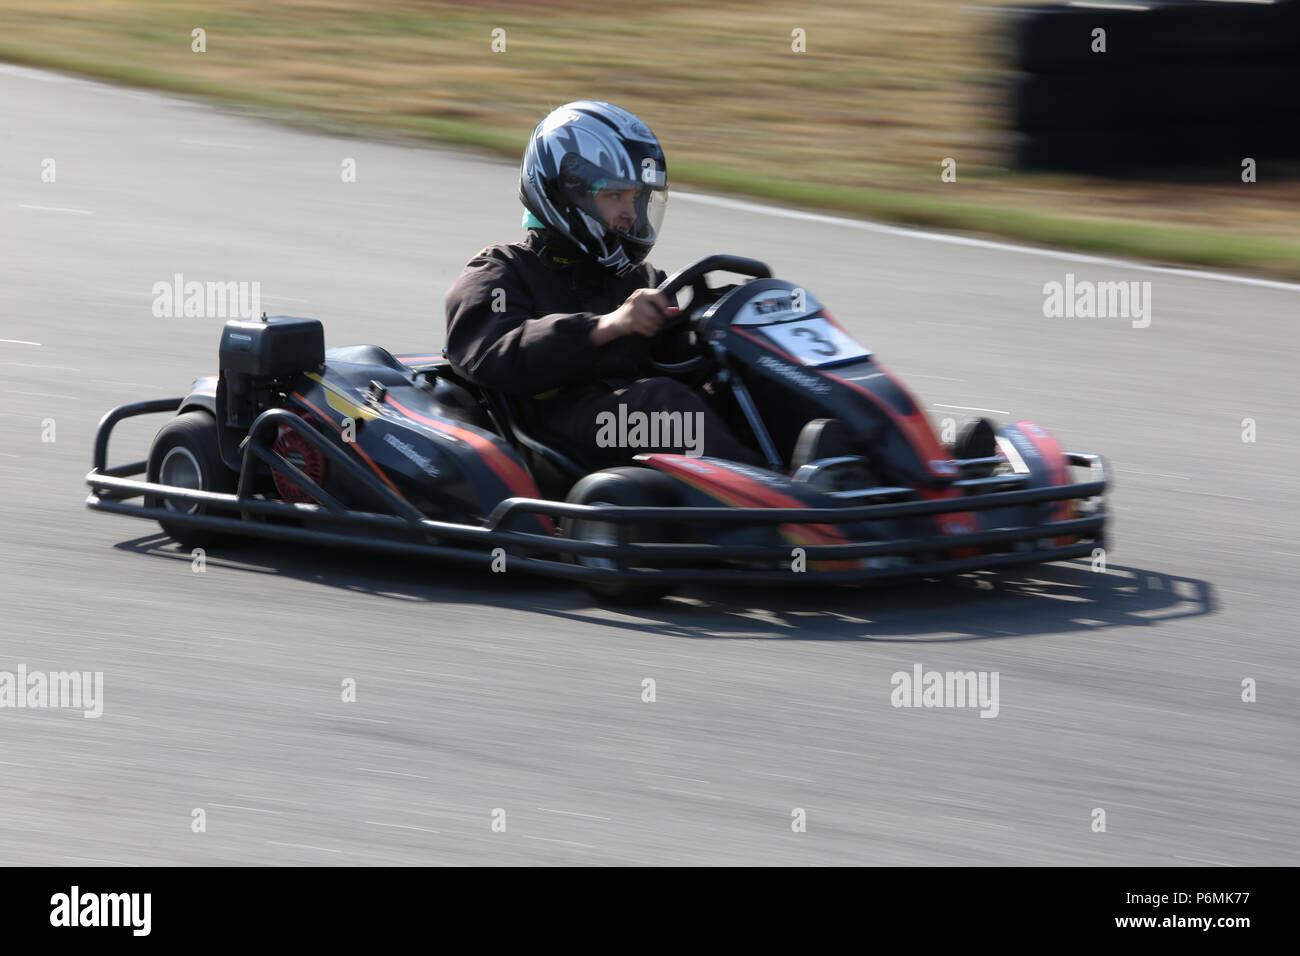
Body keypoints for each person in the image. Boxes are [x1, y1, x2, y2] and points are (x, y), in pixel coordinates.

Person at [443, 100, 763, 468]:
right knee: (663, 407)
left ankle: (828, 475)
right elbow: (492, 355)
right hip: (557, 430)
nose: (630, 214)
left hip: (625, 419)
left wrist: (720, 328)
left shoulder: (636, 279)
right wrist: (606, 327)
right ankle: (778, 515)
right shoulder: (500, 271)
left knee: (748, 377)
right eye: (614, 196)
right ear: (565, 194)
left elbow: (678, 353)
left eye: (637, 198)